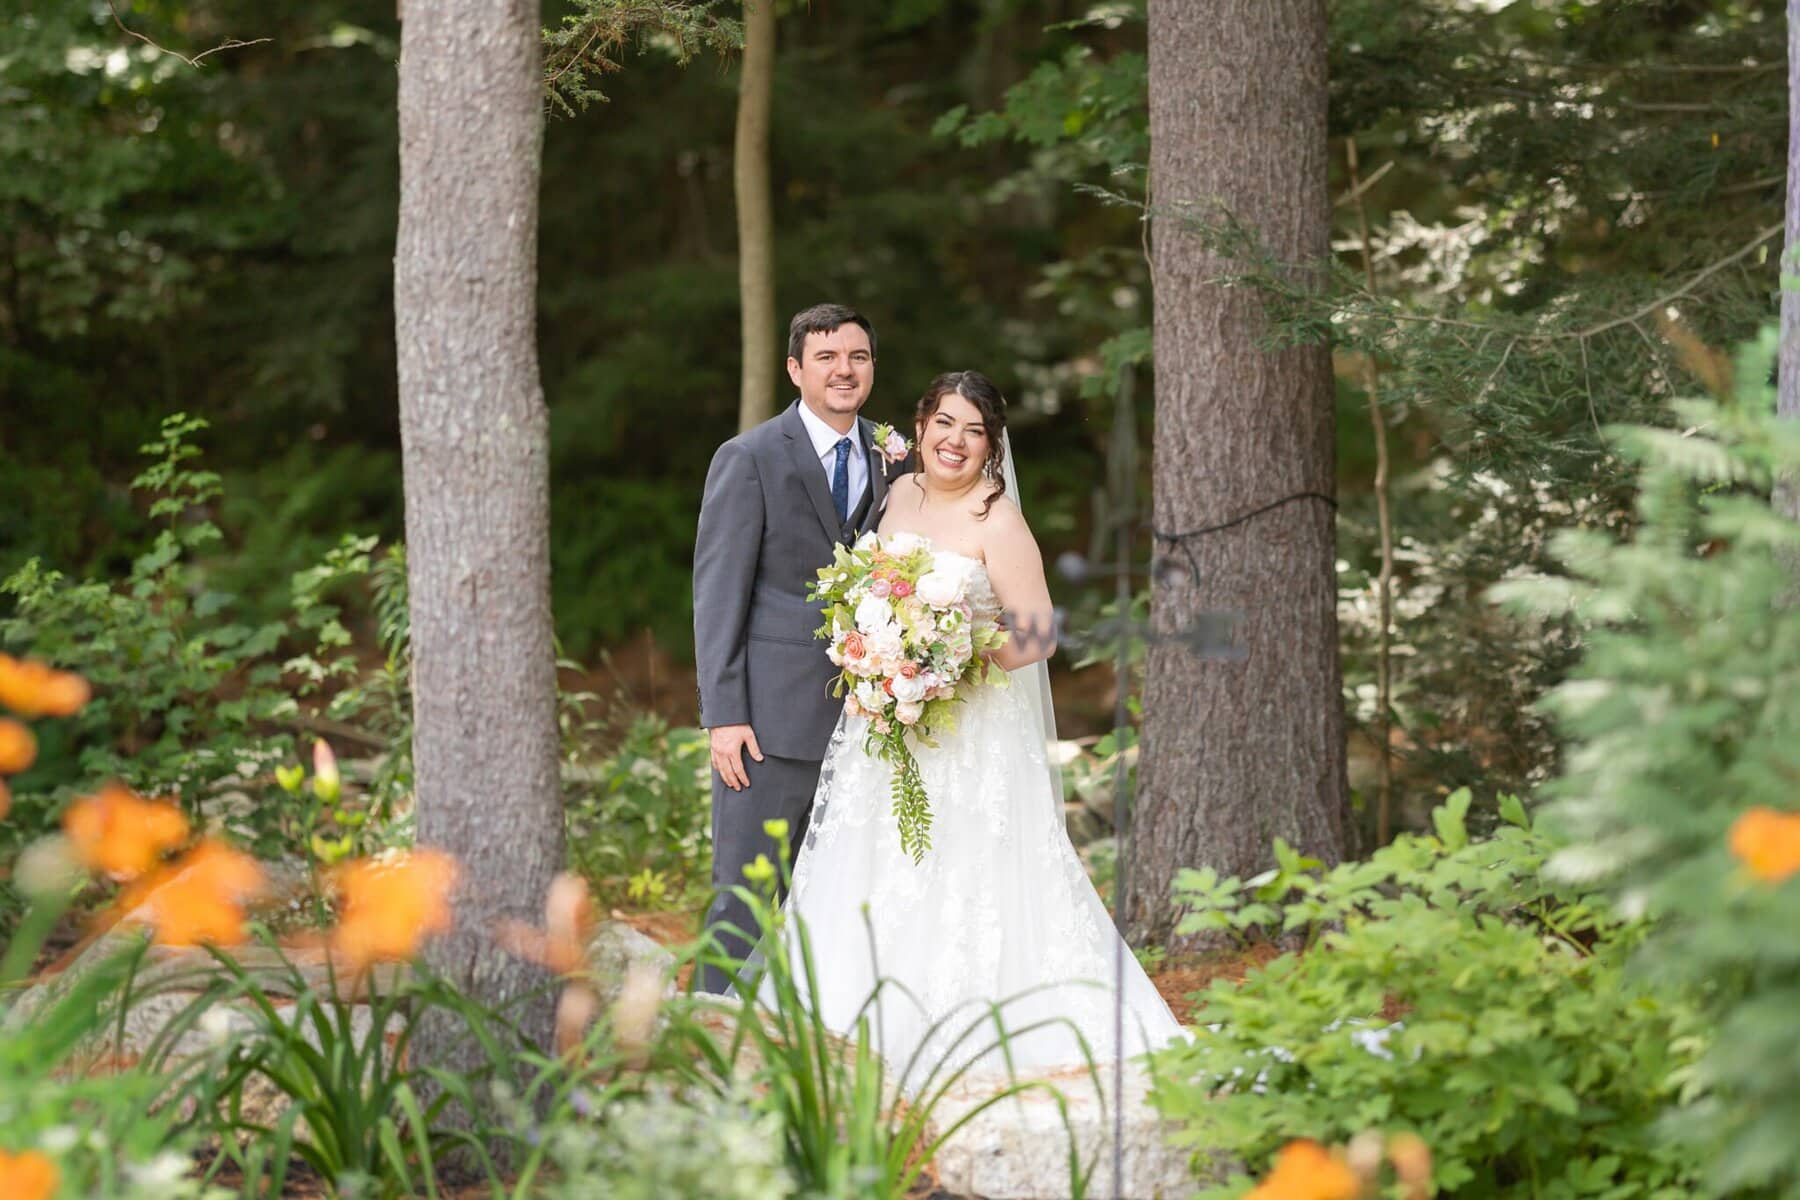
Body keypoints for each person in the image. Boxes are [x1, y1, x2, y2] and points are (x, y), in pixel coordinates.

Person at [780, 370, 1185, 1075]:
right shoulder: (898, 492)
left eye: (974, 431)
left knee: (963, 865)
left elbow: (1038, 635)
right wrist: (878, 652)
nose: (956, 442)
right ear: (922, 425)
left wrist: (948, 654)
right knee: (877, 861)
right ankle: (855, 1028)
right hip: (891, 724)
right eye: (945, 424)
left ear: (992, 445)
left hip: (968, 731)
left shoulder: (997, 519)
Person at [691, 303, 905, 994]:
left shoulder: (894, 455)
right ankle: (705, 1045)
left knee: (838, 902)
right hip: (770, 726)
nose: (844, 370)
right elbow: (719, 592)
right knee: (745, 899)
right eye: (827, 357)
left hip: (871, 722)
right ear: (795, 368)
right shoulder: (749, 457)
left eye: (858, 357)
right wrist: (725, 715)